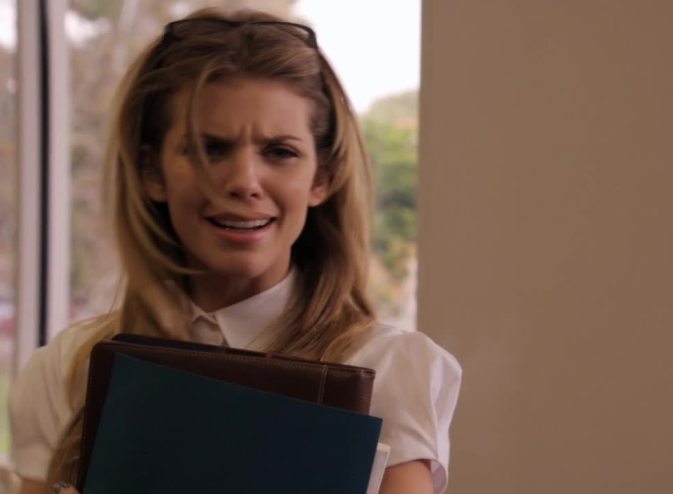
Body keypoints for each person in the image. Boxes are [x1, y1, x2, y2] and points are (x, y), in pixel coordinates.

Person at [9, 7, 461, 494]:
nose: (244, 181)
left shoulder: (391, 370)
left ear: (323, 176)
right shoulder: (65, 369)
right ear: (151, 172)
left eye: (280, 152)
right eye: (210, 149)